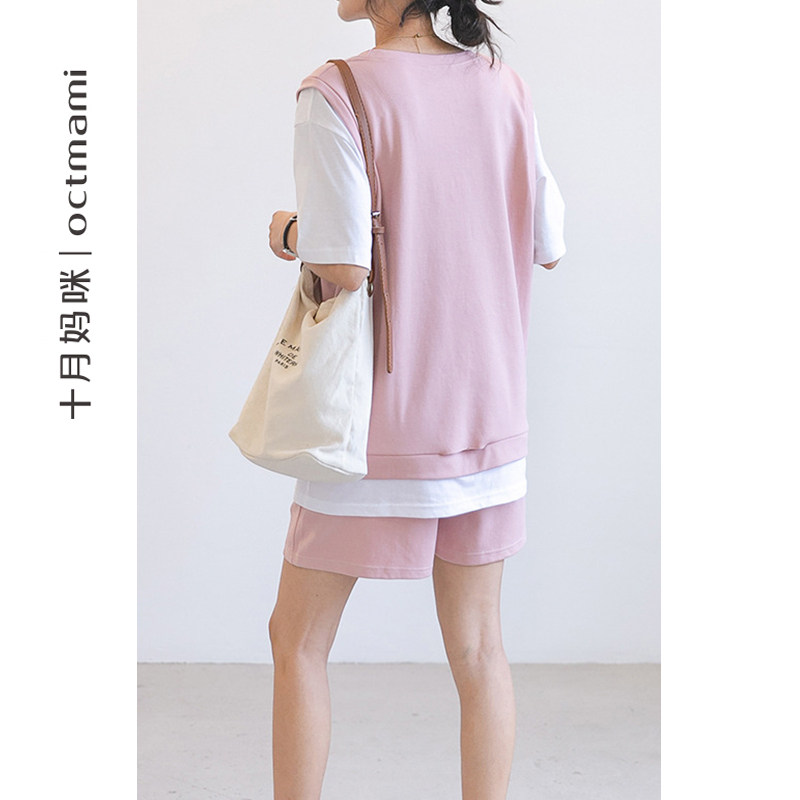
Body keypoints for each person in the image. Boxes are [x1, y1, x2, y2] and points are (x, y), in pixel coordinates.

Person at [264, 1, 566, 798]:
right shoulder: (504, 86)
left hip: (376, 429)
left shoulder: (335, 90)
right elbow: (549, 243)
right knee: (479, 649)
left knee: (297, 640)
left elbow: (343, 265)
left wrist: (288, 231)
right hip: (487, 419)